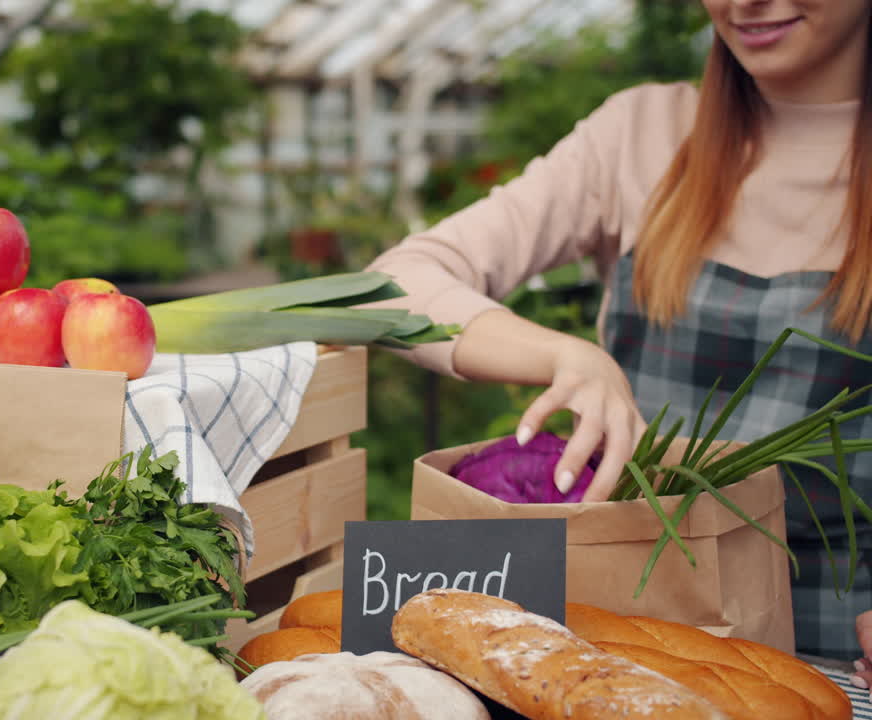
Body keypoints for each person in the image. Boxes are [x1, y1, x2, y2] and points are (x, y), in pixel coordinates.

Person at [365, 0, 872, 665]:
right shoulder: (642, 133)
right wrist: (563, 354)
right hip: (624, 630)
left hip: (836, 647)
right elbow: (391, 286)